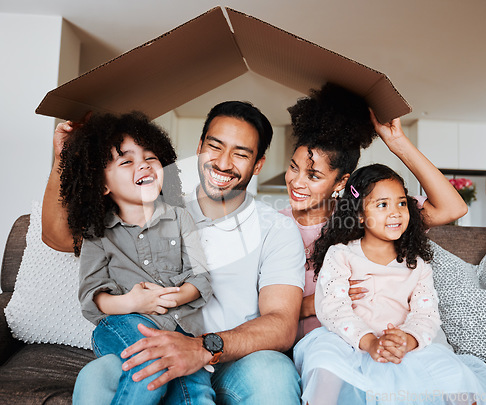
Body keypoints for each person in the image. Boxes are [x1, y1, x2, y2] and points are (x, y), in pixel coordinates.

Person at [41, 102, 305, 404]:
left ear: (258, 165)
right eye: (214, 147)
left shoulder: (275, 228)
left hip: (230, 360)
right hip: (152, 340)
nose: (222, 162)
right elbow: (58, 237)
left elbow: (281, 323)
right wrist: (65, 160)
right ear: (200, 146)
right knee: (97, 375)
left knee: (275, 372)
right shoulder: (157, 203)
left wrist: (202, 347)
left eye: (241, 154)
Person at [294, 164, 486, 405]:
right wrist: (370, 342)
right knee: (325, 364)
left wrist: (406, 340)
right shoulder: (341, 255)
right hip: (349, 343)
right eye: (382, 205)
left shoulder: (417, 264)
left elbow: (427, 314)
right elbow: (333, 309)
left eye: (401, 203)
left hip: (403, 344)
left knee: (454, 374)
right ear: (359, 214)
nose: (395, 212)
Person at [280, 83, 468, 343]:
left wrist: (398, 143)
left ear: (340, 182)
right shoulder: (273, 225)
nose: (297, 182)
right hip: (309, 349)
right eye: (293, 168)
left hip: (364, 347)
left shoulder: (370, 215)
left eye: (313, 175)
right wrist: (315, 303)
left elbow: (453, 208)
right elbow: (253, 305)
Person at [58, 111, 212, 404]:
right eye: (127, 161)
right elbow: (93, 296)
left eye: (150, 158)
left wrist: (174, 297)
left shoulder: (181, 218)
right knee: (148, 370)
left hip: (183, 331)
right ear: (103, 185)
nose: (143, 165)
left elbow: (201, 278)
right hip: (124, 325)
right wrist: (134, 302)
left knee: (198, 394)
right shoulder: (98, 233)